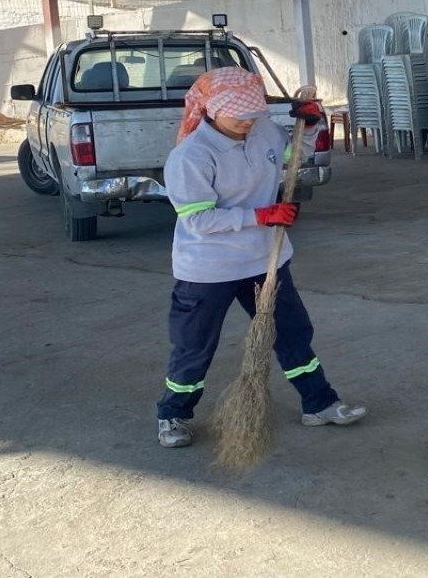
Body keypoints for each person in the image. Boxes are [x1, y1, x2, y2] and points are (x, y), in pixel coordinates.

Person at [156, 67, 366, 448]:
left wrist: (310, 127)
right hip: (209, 268)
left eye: (254, 114)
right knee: (195, 345)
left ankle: (319, 403)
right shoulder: (190, 157)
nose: (248, 122)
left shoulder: (263, 129)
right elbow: (199, 220)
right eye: (239, 116)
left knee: (292, 333)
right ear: (212, 111)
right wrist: (260, 216)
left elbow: (294, 154)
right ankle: (173, 415)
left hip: (265, 259)